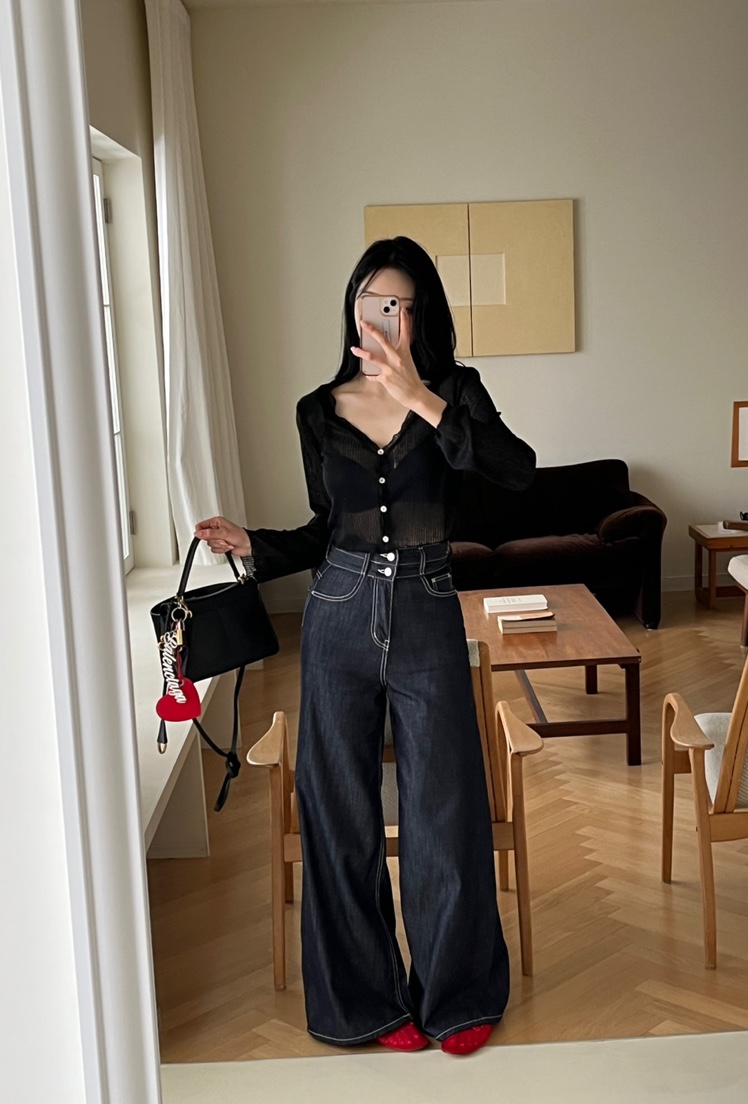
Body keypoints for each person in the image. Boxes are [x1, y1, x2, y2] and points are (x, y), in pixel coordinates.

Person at [195, 236, 536, 1056]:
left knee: (444, 805)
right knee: (338, 810)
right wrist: (253, 544)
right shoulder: (318, 410)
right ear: (352, 306)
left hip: (427, 605)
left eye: (405, 305)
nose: (389, 317)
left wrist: (419, 394)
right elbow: (328, 528)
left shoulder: (456, 392)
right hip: (338, 612)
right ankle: (364, 1003)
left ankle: (457, 996)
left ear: (424, 315)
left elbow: (517, 470)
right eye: (376, 301)